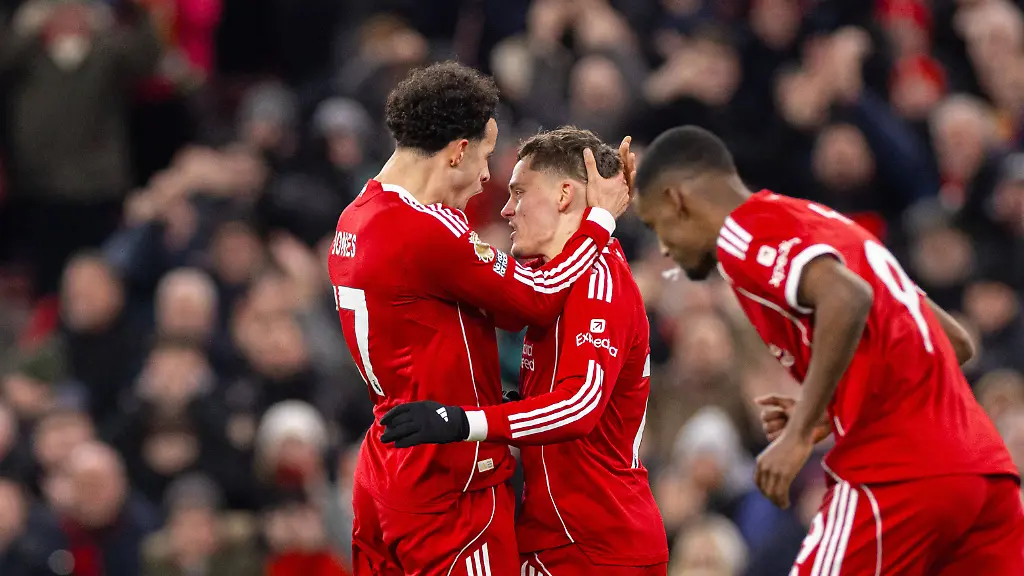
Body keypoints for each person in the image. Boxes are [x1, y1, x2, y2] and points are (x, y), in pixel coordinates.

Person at [630, 125, 1024, 575]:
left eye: (656, 225)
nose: (663, 246)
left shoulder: (745, 233)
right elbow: (953, 340)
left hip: (898, 472)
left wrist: (798, 431)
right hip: (983, 471)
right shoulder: (829, 225)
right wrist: (834, 403)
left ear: (678, 201)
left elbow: (846, 297)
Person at [327, 62, 632, 576]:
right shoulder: (423, 229)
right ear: (459, 151)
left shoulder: (355, 216)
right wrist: (600, 219)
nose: (489, 177)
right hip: (451, 478)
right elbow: (535, 298)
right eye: (488, 156)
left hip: (387, 462)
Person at [379, 127, 668, 575]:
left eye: (518, 192)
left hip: (598, 546)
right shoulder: (554, 279)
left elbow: (579, 406)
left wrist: (462, 422)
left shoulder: (599, 281)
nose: (506, 208)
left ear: (563, 195)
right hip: (554, 536)